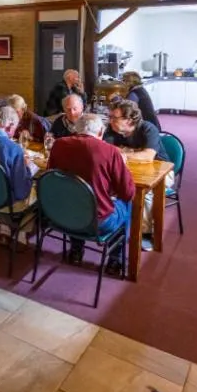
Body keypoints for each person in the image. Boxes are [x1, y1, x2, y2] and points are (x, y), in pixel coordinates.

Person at [46, 114, 134, 274]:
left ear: (76, 129)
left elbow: (51, 175)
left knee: (76, 198)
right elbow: (128, 192)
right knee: (128, 203)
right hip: (97, 222)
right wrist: (123, 166)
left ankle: (76, 250)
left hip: (61, 215)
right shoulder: (110, 151)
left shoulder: (58, 144)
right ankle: (115, 260)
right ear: (101, 131)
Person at [104, 99, 172, 250]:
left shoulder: (148, 128)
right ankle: (117, 227)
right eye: (110, 117)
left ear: (129, 120)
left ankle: (145, 234)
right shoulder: (112, 129)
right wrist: (133, 153)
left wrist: (125, 152)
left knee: (145, 194)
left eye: (115, 118)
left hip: (161, 171)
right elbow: (108, 151)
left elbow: (148, 156)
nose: (111, 121)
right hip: (129, 169)